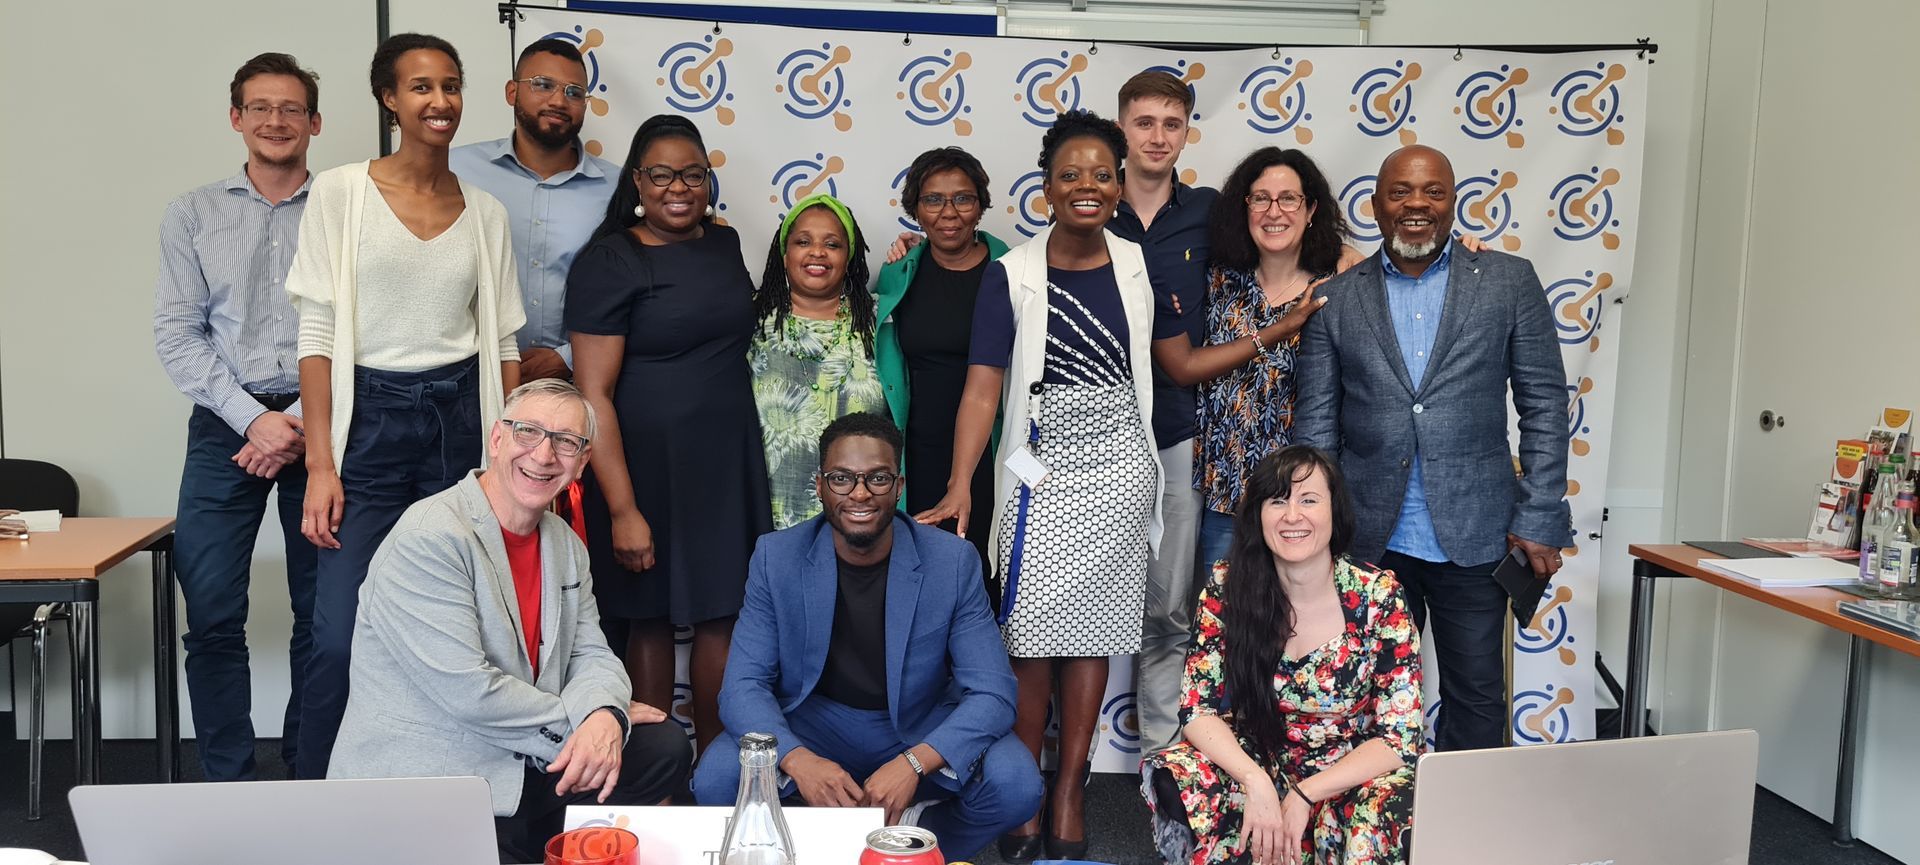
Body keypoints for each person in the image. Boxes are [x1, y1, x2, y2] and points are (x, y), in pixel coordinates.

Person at [917, 109, 1160, 862]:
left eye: (1101, 173)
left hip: (1120, 465)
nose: (1087, 186)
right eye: (1070, 174)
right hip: (1040, 466)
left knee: (1095, 634)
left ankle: (1071, 790)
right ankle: (1022, 790)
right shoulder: (1012, 273)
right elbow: (982, 390)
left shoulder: (1136, 263)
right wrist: (962, 483)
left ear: (1119, 184)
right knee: (1026, 636)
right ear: (1046, 187)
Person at [287, 33, 525, 779]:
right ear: (389, 99)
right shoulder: (342, 191)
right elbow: (318, 333)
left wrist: (514, 456)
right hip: (371, 426)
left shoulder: (485, 211)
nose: (441, 102)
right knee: (339, 632)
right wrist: (322, 462)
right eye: (421, 87)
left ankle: (455, 799)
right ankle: (316, 803)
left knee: (463, 628)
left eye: (451, 86)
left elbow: (506, 345)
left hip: (462, 424)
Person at [329, 380, 692, 865]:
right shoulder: (430, 536)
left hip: (523, 759)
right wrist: (593, 724)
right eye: (529, 433)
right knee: (611, 743)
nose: (544, 455)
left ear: (581, 463)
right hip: (440, 776)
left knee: (664, 746)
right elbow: (469, 691)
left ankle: (545, 836)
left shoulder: (563, 542)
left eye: (566, 442)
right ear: (497, 440)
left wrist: (605, 713)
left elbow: (591, 653)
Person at [1293, 144, 1572, 752]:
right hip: (1369, 539)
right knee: (1363, 698)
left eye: (1432, 192)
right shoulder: (1335, 300)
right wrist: (1313, 534)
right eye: (1399, 192)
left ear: (1452, 201)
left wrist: (1541, 513)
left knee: (1476, 697)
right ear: (1375, 205)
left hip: (1476, 534)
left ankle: (1462, 835)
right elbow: (1314, 431)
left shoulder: (1508, 281)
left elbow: (1545, 406)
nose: (1415, 204)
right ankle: (1380, 833)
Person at [693, 412, 1042, 859]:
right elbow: (742, 687)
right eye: (842, 478)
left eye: (877, 478)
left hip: (916, 726)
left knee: (1016, 783)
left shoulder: (952, 562)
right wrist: (798, 759)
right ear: (819, 485)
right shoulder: (776, 557)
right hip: (814, 722)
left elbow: (993, 692)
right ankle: (826, 845)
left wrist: (915, 762)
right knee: (717, 777)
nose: (859, 493)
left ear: (898, 487)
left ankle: (911, 841)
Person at [567, 114, 770, 759]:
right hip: (642, 469)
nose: (678, 187)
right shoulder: (609, 260)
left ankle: (714, 775)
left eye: (692, 174)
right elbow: (593, 394)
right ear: (636, 180)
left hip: (724, 463)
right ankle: (654, 779)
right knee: (647, 617)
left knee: (723, 614)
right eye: (661, 174)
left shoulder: (724, 242)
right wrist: (623, 509)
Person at [152, 52, 323, 781]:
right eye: (260, 107)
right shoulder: (193, 212)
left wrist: (302, 425)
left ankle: (308, 770)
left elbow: (365, 332)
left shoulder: (347, 208)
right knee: (213, 614)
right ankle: (227, 778)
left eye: (290, 108)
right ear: (236, 118)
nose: (275, 121)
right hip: (226, 426)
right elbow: (177, 333)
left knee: (324, 619)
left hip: (324, 426)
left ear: (315, 122)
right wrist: (254, 419)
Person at [1141, 446, 1420, 865]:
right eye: (1277, 501)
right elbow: (1196, 710)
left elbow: (1400, 739)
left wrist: (1306, 794)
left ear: (1334, 511)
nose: (1293, 516)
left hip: (1347, 778)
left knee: (1392, 802)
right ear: (1258, 515)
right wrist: (1257, 782)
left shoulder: (1378, 596)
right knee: (1177, 773)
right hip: (1263, 760)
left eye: (1309, 500)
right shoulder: (1227, 586)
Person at [1105, 71, 1219, 757]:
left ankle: (1161, 772)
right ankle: (1066, 782)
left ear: (1186, 132)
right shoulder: (1084, 202)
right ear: (1123, 127)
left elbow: (1302, 246)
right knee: (1075, 611)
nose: (1157, 136)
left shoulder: (1211, 212)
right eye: (1144, 122)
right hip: (1091, 439)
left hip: (1178, 432)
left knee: (1169, 609)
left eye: (1171, 124)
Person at [1183, 147, 1348, 569]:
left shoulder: (1340, 285)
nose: (1274, 211)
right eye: (1260, 198)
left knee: (1299, 629)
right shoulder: (1217, 278)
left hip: (1301, 504)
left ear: (1311, 209)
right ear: (1245, 208)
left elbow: (1405, 269)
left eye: (1289, 198)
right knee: (1226, 627)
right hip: (1225, 499)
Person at [450, 38, 619, 383]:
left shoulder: (617, 189)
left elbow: (632, 291)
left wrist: (569, 357)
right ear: (512, 92)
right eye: (543, 85)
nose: (559, 100)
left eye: (574, 92)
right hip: (468, 382)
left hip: (575, 387)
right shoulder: (455, 169)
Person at [874, 147, 1010, 572]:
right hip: (918, 450)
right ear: (915, 208)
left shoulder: (1013, 271)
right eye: (933, 200)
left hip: (993, 449)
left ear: (981, 205)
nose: (948, 212)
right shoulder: (898, 273)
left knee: (988, 570)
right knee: (924, 570)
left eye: (962, 198)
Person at [750, 193, 886, 530]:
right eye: (803, 241)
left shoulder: (881, 320)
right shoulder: (748, 320)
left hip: (862, 519)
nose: (817, 252)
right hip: (769, 518)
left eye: (832, 244)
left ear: (849, 256)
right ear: (784, 255)